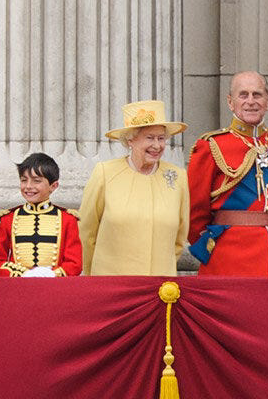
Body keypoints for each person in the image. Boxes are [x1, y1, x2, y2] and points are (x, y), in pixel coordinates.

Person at [186, 71, 268, 277]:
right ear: (230, 102)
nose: (251, 101)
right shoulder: (211, 145)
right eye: (243, 95)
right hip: (229, 256)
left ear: (267, 102)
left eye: (257, 95)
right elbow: (194, 213)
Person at [80, 101, 189, 276]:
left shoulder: (177, 177)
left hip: (159, 284)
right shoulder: (105, 173)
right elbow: (87, 232)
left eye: (161, 138)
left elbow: (180, 237)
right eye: (150, 138)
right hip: (112, 282)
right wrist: (90, 275)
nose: (157, 145)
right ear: (130, 140)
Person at [0, 152, 82, 277]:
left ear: (53, 186)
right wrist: (22, 274)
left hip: (55, 286)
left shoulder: (67, 219)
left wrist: (52, 274)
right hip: (18, 285)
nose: (28, 186)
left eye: (36, 181)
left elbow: (75, 263)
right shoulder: (9, 219)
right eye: (24, 180)